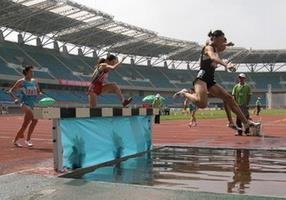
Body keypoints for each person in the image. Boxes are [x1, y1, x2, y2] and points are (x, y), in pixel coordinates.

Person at [173, 30, 259, 132]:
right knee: (202, 104)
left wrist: (227, 44)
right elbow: (213, 57)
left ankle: (246, 122)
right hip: (202, 78)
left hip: (210, 80)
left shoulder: (216, 49)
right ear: (216, 39)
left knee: (229, 98)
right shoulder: (209, 48)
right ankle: (185, 93)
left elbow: (219, 51)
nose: (224, 45)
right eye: (222, 40)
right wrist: (226, 65)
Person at [9, 66, 41, 147]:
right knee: (35, 119)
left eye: (32, 72)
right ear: (26, 72)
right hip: (24, 104)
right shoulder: (21, 81)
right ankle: (28, 139)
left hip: (32, 105)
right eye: (31, 71)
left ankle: (16, 140)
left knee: (25, 125)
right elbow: (11, 91)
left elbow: (38, 92)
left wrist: (39, 93)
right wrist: (15, 99)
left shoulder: (35, 82)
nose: (32, 73)